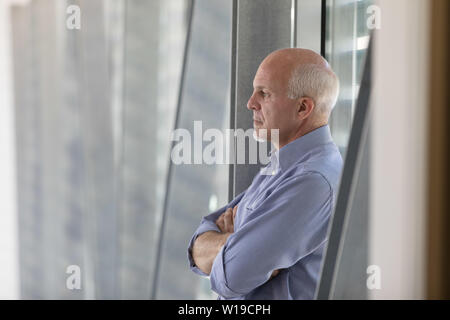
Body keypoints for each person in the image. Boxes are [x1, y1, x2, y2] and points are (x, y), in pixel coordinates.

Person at [187, 48, 343, 299]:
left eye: (264, 93)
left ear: (303, 107)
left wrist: (236, 246)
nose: (250, 103)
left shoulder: (312, 181)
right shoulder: (283, 165)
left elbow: (234, 275)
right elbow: (197, 244)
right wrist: (237, 243)